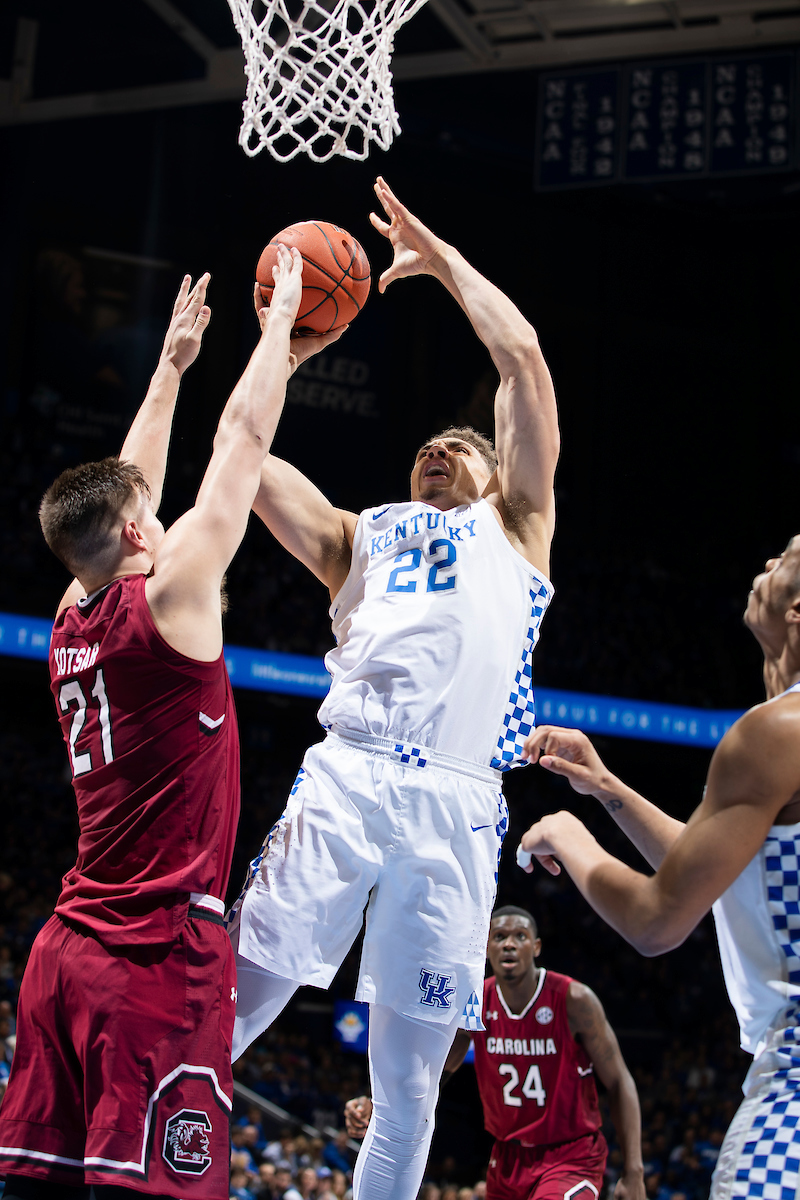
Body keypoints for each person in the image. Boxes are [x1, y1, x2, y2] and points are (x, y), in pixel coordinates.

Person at [227, 176, 561, 1200]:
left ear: (500, 476)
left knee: (408, 1088)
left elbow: (521, 358)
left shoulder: (516, 527)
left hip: (456, 804)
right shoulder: (353, 535)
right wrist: (280, 350)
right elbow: (239, 457)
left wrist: (442, 259)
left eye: (458, 446)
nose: (436, 450)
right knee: (229, 1006)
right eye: (424, 446)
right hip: (348, 778)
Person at [0, 248, 319, 1200]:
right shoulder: (174, 597)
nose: (165, 515)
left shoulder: (71, 611)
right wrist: (277, 333)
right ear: (144, 537)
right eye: (153, 516)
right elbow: (243, 446)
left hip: (62, 957)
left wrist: (172, 367)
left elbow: (122, 487)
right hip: (153, 956)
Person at [516, 534, 800, 1200]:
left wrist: (568, 832)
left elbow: (657, 920)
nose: (767, 563)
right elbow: (727, 870)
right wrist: (608, 789)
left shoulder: (774, 734)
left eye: (786, 555)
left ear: (797, 609)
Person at [345, 906, 645, 1200]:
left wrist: (634, 1172)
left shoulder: (574, 1000)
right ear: (487, 947)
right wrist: (385, 1107)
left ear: (536, 946)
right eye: (499, 937)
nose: (509, 944)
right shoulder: (477, 1001)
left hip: (570, 1155)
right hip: (507, 1158)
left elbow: (620, 1081)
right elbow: (437, 1069)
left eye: (520, 936)